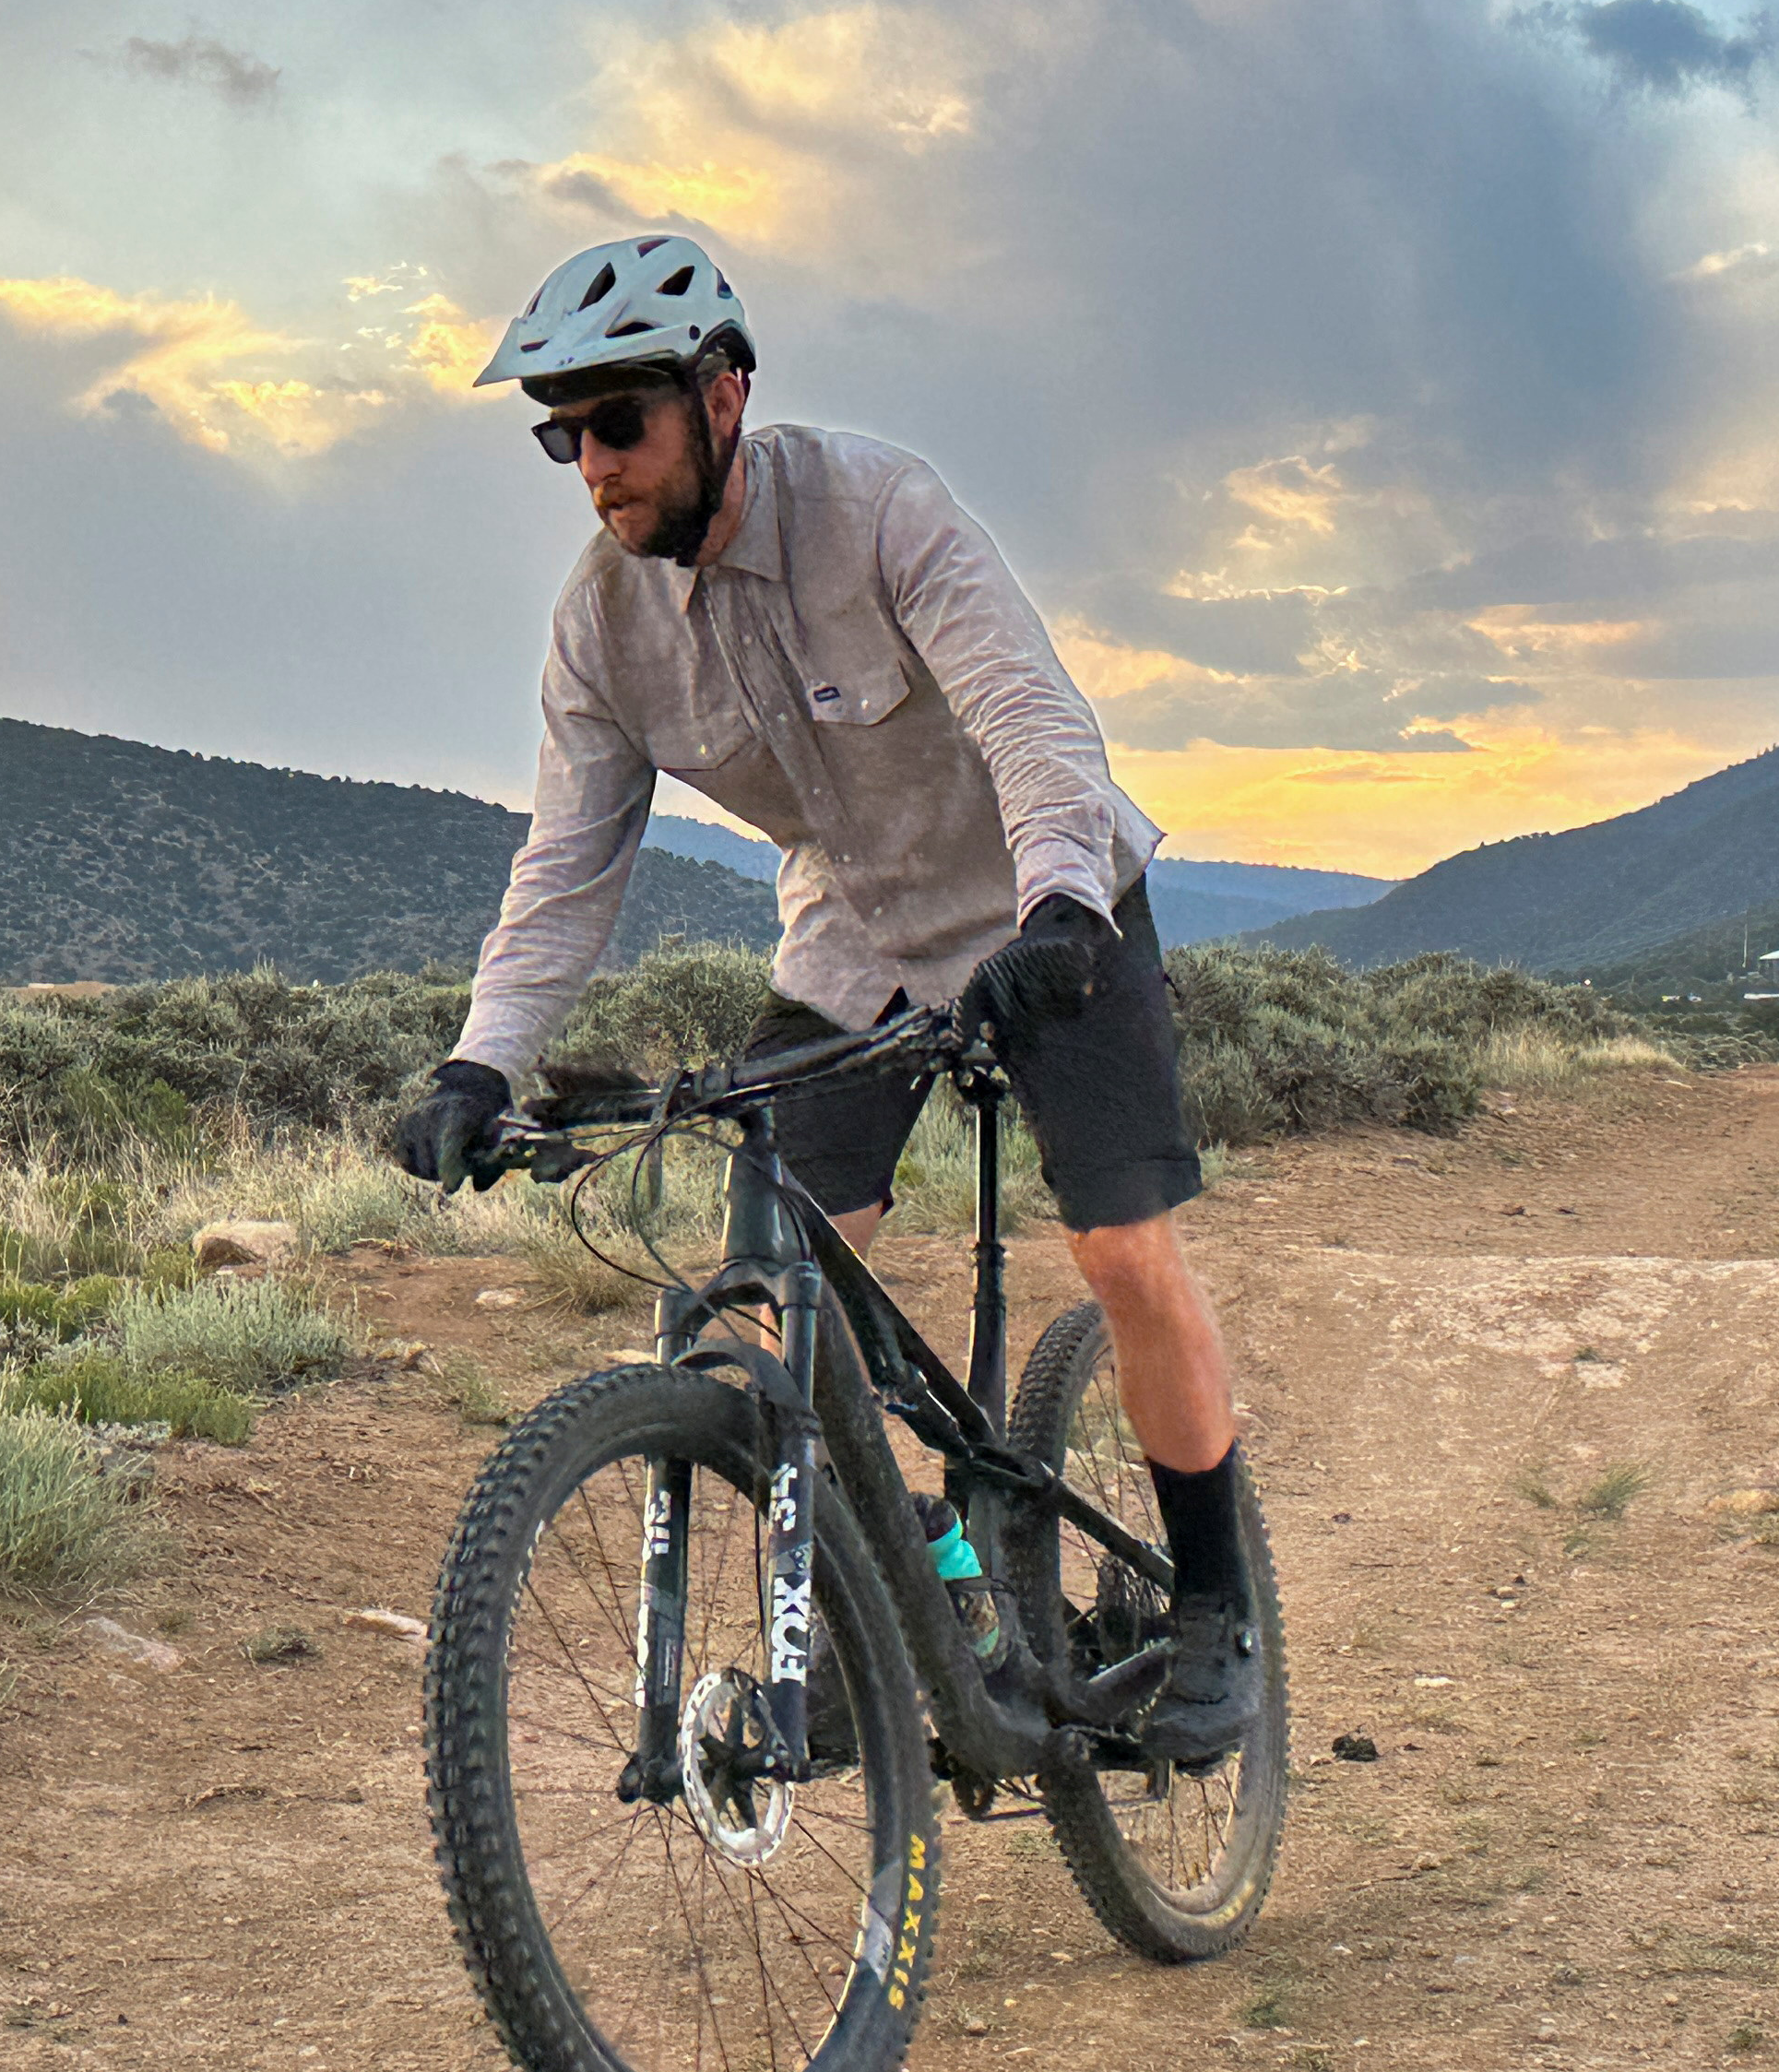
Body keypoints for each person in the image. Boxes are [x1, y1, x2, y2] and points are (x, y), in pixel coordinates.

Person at [391, 232, 1260, 1765]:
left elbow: (1031, 719)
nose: (589, 465)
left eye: (617, 424)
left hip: (1046, 904)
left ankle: (1213, 1603)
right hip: (855, 944)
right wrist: (482, 1061)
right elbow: (572, 860)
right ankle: (916, 1593)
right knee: (773, 1303)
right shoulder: (603, 625)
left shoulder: (879, 509)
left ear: (721, 398)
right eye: (560, 435)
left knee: (1121, 1247)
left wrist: (1060, 905)